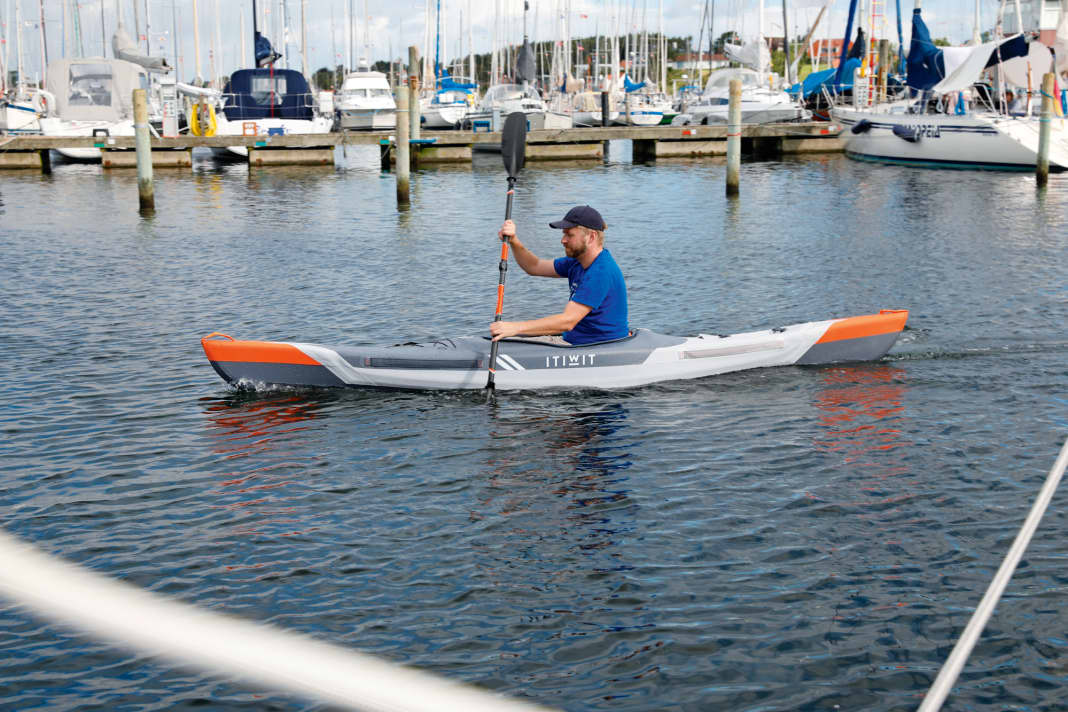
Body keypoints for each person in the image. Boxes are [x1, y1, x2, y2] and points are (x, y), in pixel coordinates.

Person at [489, 205, 629, 345]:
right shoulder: (577, 262)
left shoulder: (601, 272)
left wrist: (515, 328)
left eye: (569, 235)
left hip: (596, 347)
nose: (563, 240)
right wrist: (514, 240)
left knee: (507, 343)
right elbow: (533, 266)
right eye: (564, 234)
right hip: (574, 341)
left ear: (591, 237)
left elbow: (568, 321)